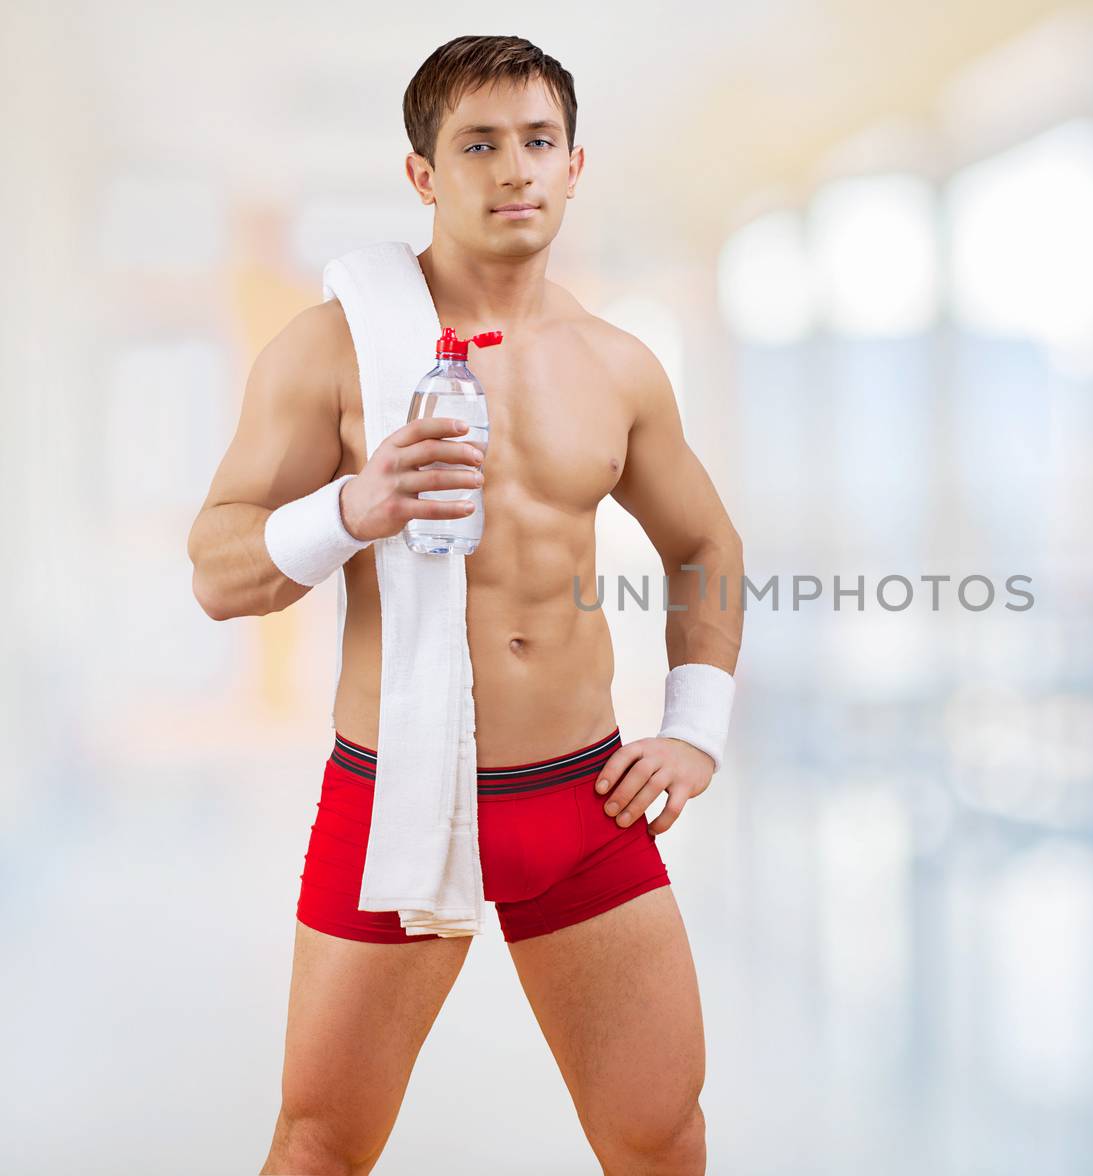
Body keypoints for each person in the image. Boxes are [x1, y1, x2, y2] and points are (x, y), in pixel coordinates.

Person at [186, 34, 742, 1176]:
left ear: (575, 165)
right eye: (477, 144)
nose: (513, 170)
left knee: (661, 1135)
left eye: (538, 141)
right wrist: (354, 504)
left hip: (581, 803)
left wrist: (694, 729)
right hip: (396, 792)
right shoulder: (332, 350)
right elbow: (217, 570)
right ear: (422, 175)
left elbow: (704, 545)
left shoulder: (619, 365)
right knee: (321, 1143)